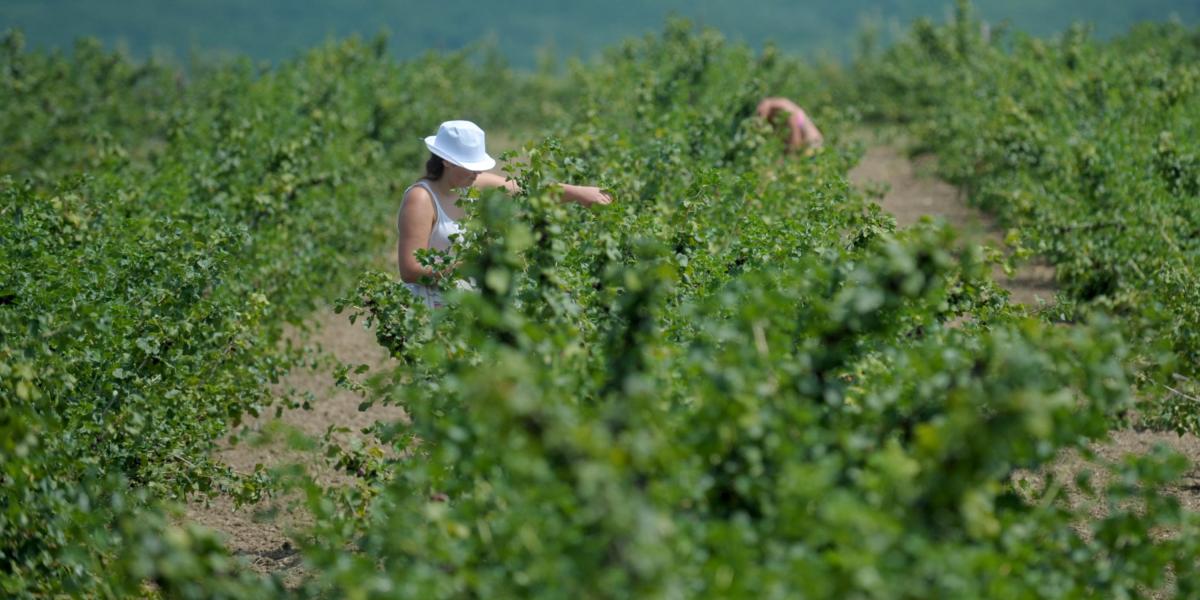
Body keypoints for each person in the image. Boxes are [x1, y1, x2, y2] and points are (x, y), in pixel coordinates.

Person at [397, 120, 612, 308]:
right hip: (430, 307)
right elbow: (410, 270)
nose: (477, 172)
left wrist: (580, 193)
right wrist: (469, 267)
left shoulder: (474, 184)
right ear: (446, 161)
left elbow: (529, 191)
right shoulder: (421, 199)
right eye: (470, 166)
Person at [756, 97, 823, 152]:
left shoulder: (785, 111)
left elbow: (795, 143)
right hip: (808, 142)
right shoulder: (775, 107)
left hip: (813, 145)